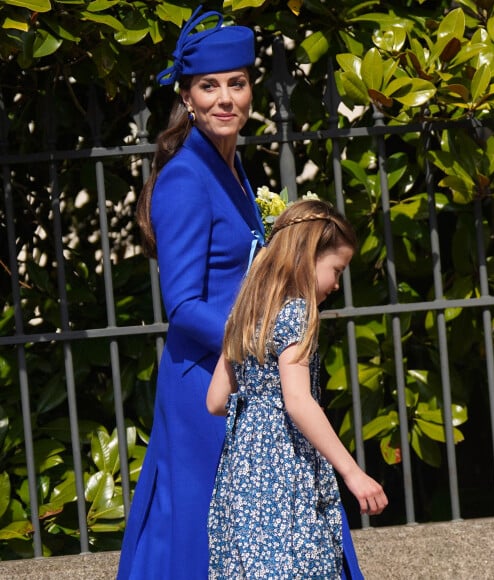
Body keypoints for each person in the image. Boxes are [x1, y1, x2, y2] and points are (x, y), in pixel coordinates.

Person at [117, 8, 265, 579]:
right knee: (201, 543)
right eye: (209, 87)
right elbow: (181, 308)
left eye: (236, 83)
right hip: (206, 381)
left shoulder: (230, 165)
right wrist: (262, 338)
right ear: (187, 96)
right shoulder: (184, 178)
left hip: (237, 371)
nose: (225, 98)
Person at [206, 199, 389, 579]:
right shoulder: (297, 313)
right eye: (336, 270)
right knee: (297, 562)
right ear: (308, 257)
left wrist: (256, 408)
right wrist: (353, 473)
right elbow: (298, 401)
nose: (337, 284)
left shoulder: (242, 313)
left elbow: (215, 401)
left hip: (243, 465)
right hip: (285, 463)